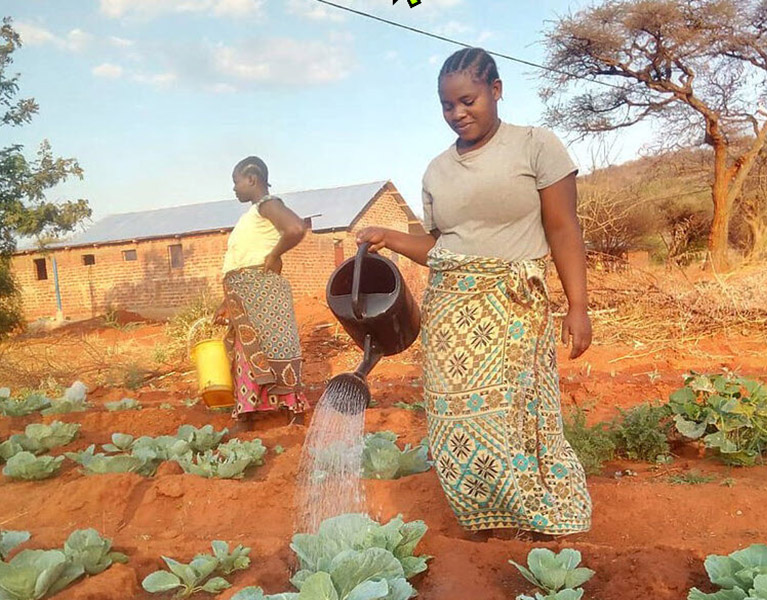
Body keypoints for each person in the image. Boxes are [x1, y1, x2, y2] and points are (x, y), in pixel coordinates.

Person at [357, 48, 593, 535]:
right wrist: (391, 238)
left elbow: (564, 229)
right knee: (453, 425)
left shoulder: (536, 146)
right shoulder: (436, 171)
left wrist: (578, 306)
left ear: (496, 90)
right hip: (449, 314)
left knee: (519, 417)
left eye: (468, 100)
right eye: (447, 106)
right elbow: (443, 248)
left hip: (513, 308)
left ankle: (538, 517)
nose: (458, 114)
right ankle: (481, 518)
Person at [214, 156, 308, 429]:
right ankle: (247, 412)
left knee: (278, 347)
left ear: (251, 179)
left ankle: (293, 411)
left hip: (262, 288)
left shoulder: (268, 205)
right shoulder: (252, 214)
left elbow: (296, 228)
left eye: (236, 182)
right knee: (247, 353)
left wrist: (275, 255)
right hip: (243, 292)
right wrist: (225, 301)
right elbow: (239, 260)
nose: (234, 189)